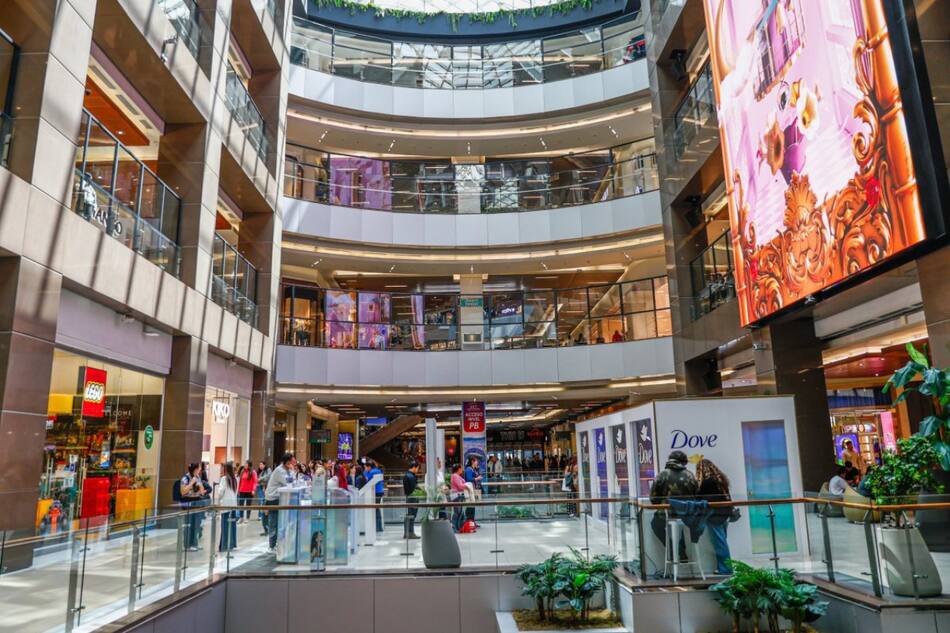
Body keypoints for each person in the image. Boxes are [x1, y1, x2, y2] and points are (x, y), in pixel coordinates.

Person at [649, 450, 699, 560]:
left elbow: (653, 498)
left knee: (655, 524)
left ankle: (672, 549)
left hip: (668, 513)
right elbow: (697, 495)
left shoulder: (662, 474)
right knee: (680, 527)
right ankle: (682, 552)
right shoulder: (690, 475)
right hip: (688, 515)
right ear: (683, 462)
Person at [696, 458, 733, 575]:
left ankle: (725, 569)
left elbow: (701, 499)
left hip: (714, 515)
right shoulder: (720, 479)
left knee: (719, 543)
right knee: (722, 541)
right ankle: (722, 567)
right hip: (724, 513)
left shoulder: (706, 482)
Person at [265, 452, 297, 552]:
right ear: (287, 462)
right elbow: (289, 482)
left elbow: (293, 482)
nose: (293, 463)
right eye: (292, 461)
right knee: (273, 521)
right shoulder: (279, 470)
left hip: (279, 498)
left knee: (279, 521)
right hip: (273, 498)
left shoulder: (286, 469)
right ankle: (272, 545)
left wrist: (292, 471)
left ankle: (278, 543)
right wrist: (292, 471)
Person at [180, 463, 206, 551]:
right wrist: (192, 483)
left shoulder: (198, 477)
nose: (199, 470)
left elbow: (202, 492)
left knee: (196, 524)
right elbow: (183, 492)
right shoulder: (185, 478)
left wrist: (200, 485)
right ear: (194, 469)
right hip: (188, 503)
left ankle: (195, 543)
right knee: (189, 524)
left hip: (197, 502)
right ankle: (187, 545)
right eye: (198, 469)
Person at [216, 462, 239, 552]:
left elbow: (220, 492)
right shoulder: (235, 479)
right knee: (232, 525)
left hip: (225, 506)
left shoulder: (224, 479)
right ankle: (231, 544)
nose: (221, 470)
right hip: (233, 505)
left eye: (222, 468)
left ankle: (225, 544)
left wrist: (218, 497)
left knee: (225, 526)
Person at [403, 461, 421, 539]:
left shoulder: (407, 475)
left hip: (409, 497)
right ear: (414, 467)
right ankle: (410, 533)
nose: (417, 470)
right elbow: (414, 489)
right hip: (413, 498)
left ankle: (407, 533)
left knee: (409, 515)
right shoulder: (411, 476)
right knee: (412, 515)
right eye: (417, 468)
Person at [366, 460, 385, 532]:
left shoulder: (371, 472)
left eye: (366, 467)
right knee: (377, 508)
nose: (366, 469)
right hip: (380, 491)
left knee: (376, 509)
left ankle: (378, 527)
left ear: (369, 467)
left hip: (375, 492)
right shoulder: (379, 471)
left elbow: (367, 481)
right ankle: (379, 526)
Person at [464, 456, 482, 526]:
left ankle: (472, 522)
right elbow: (468, 479)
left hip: (473, 489)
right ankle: (469, 522)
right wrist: (477, 478)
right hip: (470, 490)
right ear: (472, 461)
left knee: (472, 506)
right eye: (476, 461)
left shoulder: (473, 469)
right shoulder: (469, 469)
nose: (477, 462)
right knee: (470, 506)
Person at [450, 464, 467, 532]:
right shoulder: (455, 476)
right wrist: (466, 486)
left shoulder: (457, 476)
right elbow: (460, 486)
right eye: (461, 468)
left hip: (459, 495)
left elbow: (463, 483)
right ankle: (454, 527)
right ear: (458, 469)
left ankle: (457, 526)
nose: (462, 470)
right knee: (457, 511)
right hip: (456, 496)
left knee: (459, 511)